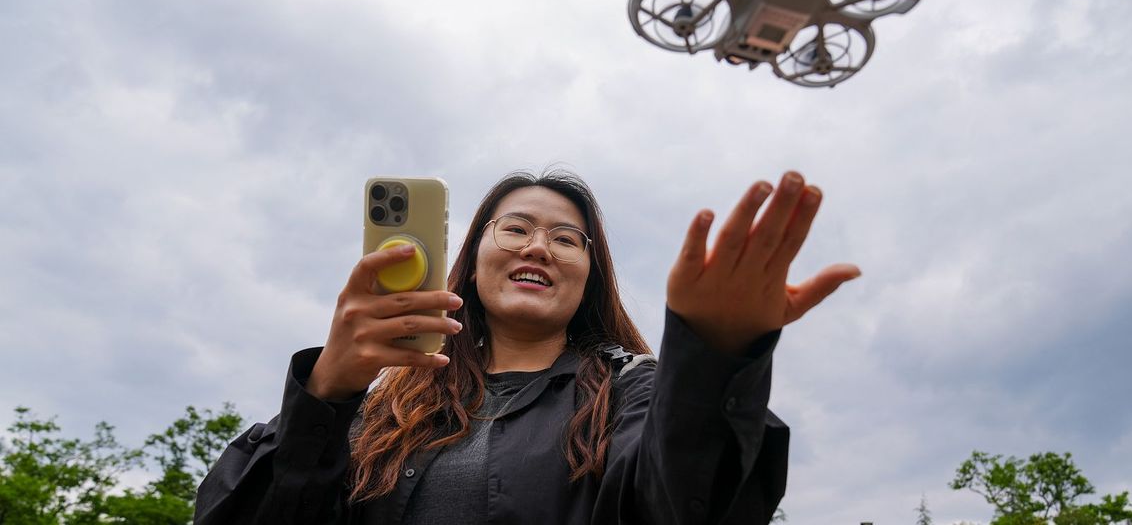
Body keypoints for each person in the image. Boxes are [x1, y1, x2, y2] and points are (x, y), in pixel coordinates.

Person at [194, 169, 860, 524]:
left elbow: (686, 504)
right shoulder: (380, 413)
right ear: (473, 257)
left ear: (588, 275)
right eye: (516, 228)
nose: (539, 246)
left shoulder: (633, 391)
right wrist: (327, 394)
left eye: (567, 239)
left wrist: (714, 354)